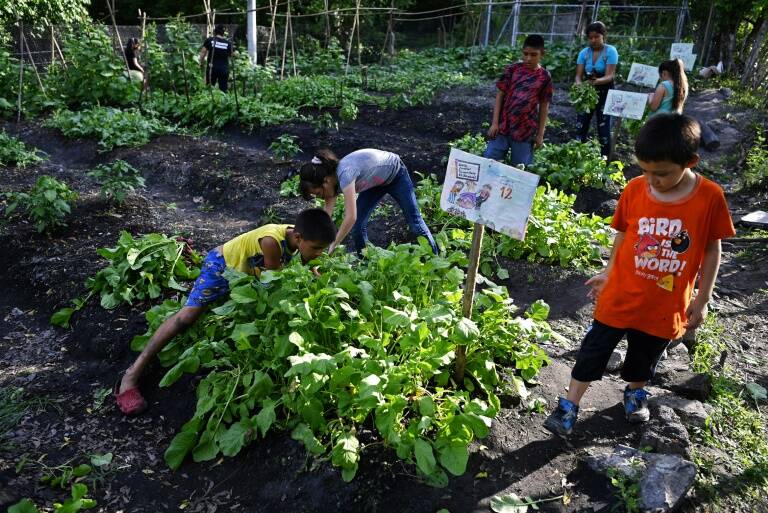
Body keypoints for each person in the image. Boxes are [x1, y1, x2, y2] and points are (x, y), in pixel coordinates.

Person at [544, 113, 734, 436]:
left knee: (644, 356)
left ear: (690, 161)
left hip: (665, 301)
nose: (651, 179)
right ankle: (569, 405)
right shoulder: (634, 189)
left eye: (660, 173)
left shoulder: (709, 197)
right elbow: (622, 234)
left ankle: (634, 391)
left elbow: (712, 250)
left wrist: (702, 299)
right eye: (644, 170)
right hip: (620, 293)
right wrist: (608, 272)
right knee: (594, 349)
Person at [114, 209, 336, 415]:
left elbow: (301, 267)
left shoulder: (298, 235)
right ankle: (131, 375)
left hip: (245, 276)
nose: (319, 253)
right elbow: (274, 284)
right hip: (221, 266)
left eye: (322, 249)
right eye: (316, 248)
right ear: (298, 238)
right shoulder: (272, 241)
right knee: (188, 316)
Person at [298, 148, 438, 255]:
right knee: (358, 228)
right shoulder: (330, 183)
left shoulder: (345, 174)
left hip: (396, 174)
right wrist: (314, 239)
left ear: (326, 181)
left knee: (415, 223)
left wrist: (333, 244)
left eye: (318, 193)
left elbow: (351, 217)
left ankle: (435, 258)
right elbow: (325, 219)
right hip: (374, 183)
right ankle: (365, 261)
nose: (321, 197)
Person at [484, 34, 553, 168]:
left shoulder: (545, 77)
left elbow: (544, 106)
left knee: (520, 171)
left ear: (542, 54)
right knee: (489, 164)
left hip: (525, 131)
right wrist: (494, 123)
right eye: (525, 54)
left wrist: (540, 134)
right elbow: (500, 95)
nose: (528, 58)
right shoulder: (513, 69)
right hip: (503, 127)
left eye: (533, 55)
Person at [574, 21, 619, 158]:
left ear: (603, 36)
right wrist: (579, 85)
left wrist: (596, 82)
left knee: (603, 129)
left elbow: (610, 76)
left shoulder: (610, 51)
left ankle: (604, 160)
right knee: (580, 125)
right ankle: (576, 155)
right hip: (587, 93)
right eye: (590, 37)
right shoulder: (584, 53)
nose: (593, 40)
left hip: (605, 92)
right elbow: (578, 76)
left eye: (596, 37)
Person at [199, 24, 234, 92]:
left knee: (209, 88)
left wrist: (201, 62)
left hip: (212, 68)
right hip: (224, 69)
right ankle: (224, 101)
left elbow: (203, 52)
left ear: (215, 32)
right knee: (223, 89)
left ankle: (208, 101)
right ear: (223, 33)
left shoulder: (210, 40)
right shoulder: (228, 43)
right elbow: (233, 54)